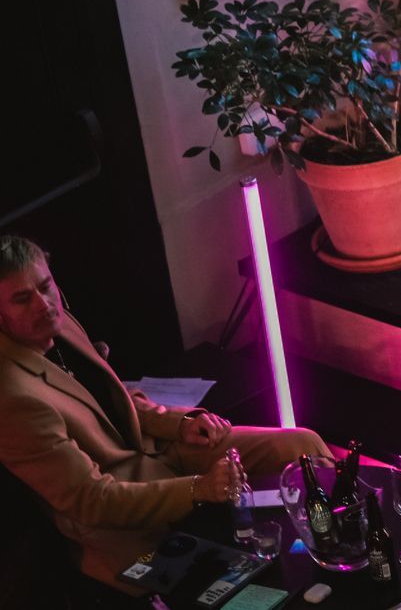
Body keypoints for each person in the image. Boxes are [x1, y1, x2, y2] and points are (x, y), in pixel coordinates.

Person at [0, 234, 331, 589]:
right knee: (236, 583)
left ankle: (344, 551)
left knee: (301, 447)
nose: (44, 304)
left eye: (46, 286)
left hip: (159, 451)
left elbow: (108, 398)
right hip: (122, 514)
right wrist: (198, 489)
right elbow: (90, 500)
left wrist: (179, 422)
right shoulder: (14, 399)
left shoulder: (59, 323)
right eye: (22, 299)